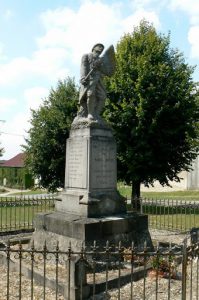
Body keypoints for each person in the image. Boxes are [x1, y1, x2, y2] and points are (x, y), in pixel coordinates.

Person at [78, 43, 107, 120]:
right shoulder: (86, 56)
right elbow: (83, 67)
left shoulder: (100, 60)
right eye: (100, 46)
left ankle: (96, 114)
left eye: (102, 48)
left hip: (99, 80)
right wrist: (83, 77)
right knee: (90, 94)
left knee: (102, 96)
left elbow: (104, 71)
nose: (101, 49)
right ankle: (90, 114)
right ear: (94, 48)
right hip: (89, 79)